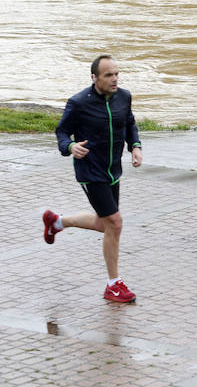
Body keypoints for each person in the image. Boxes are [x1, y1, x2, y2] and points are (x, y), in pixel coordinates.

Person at [43, 55, 142, 303]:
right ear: (94, 77)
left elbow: (129, 122)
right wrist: (70, 146)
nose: (114, 79)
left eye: (116, 74)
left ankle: (57, 222)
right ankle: (113, 284)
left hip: (112, 170)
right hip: (90, 171)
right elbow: (62, 131)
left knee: (103, 224)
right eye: (108, 75)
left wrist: (136, 146)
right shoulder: (78, 102)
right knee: (116, 223)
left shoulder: (123, 96)